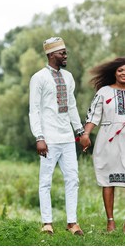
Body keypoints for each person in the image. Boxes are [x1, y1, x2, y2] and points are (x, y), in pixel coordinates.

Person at [79, 57, 125, 234]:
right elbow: (93, 115)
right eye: (120, 70)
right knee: (107, 180)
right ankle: (110, 222)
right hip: (108, 138)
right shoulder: (104, 91)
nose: (124, 73)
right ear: (115, 73)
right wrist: (86, 134)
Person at [28, 37, 85, 235]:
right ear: (51, 55)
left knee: (73, 179)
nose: (65, 55)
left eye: (65, 52)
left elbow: (71, 106)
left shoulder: (68, 77)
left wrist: (80, 131)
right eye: (62, 53)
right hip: (49, 138)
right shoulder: (39, 77)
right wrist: (39, 137)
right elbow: (34, 110)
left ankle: (72, 222)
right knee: (46, 180)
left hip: (68, 138)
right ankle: (47, 223)